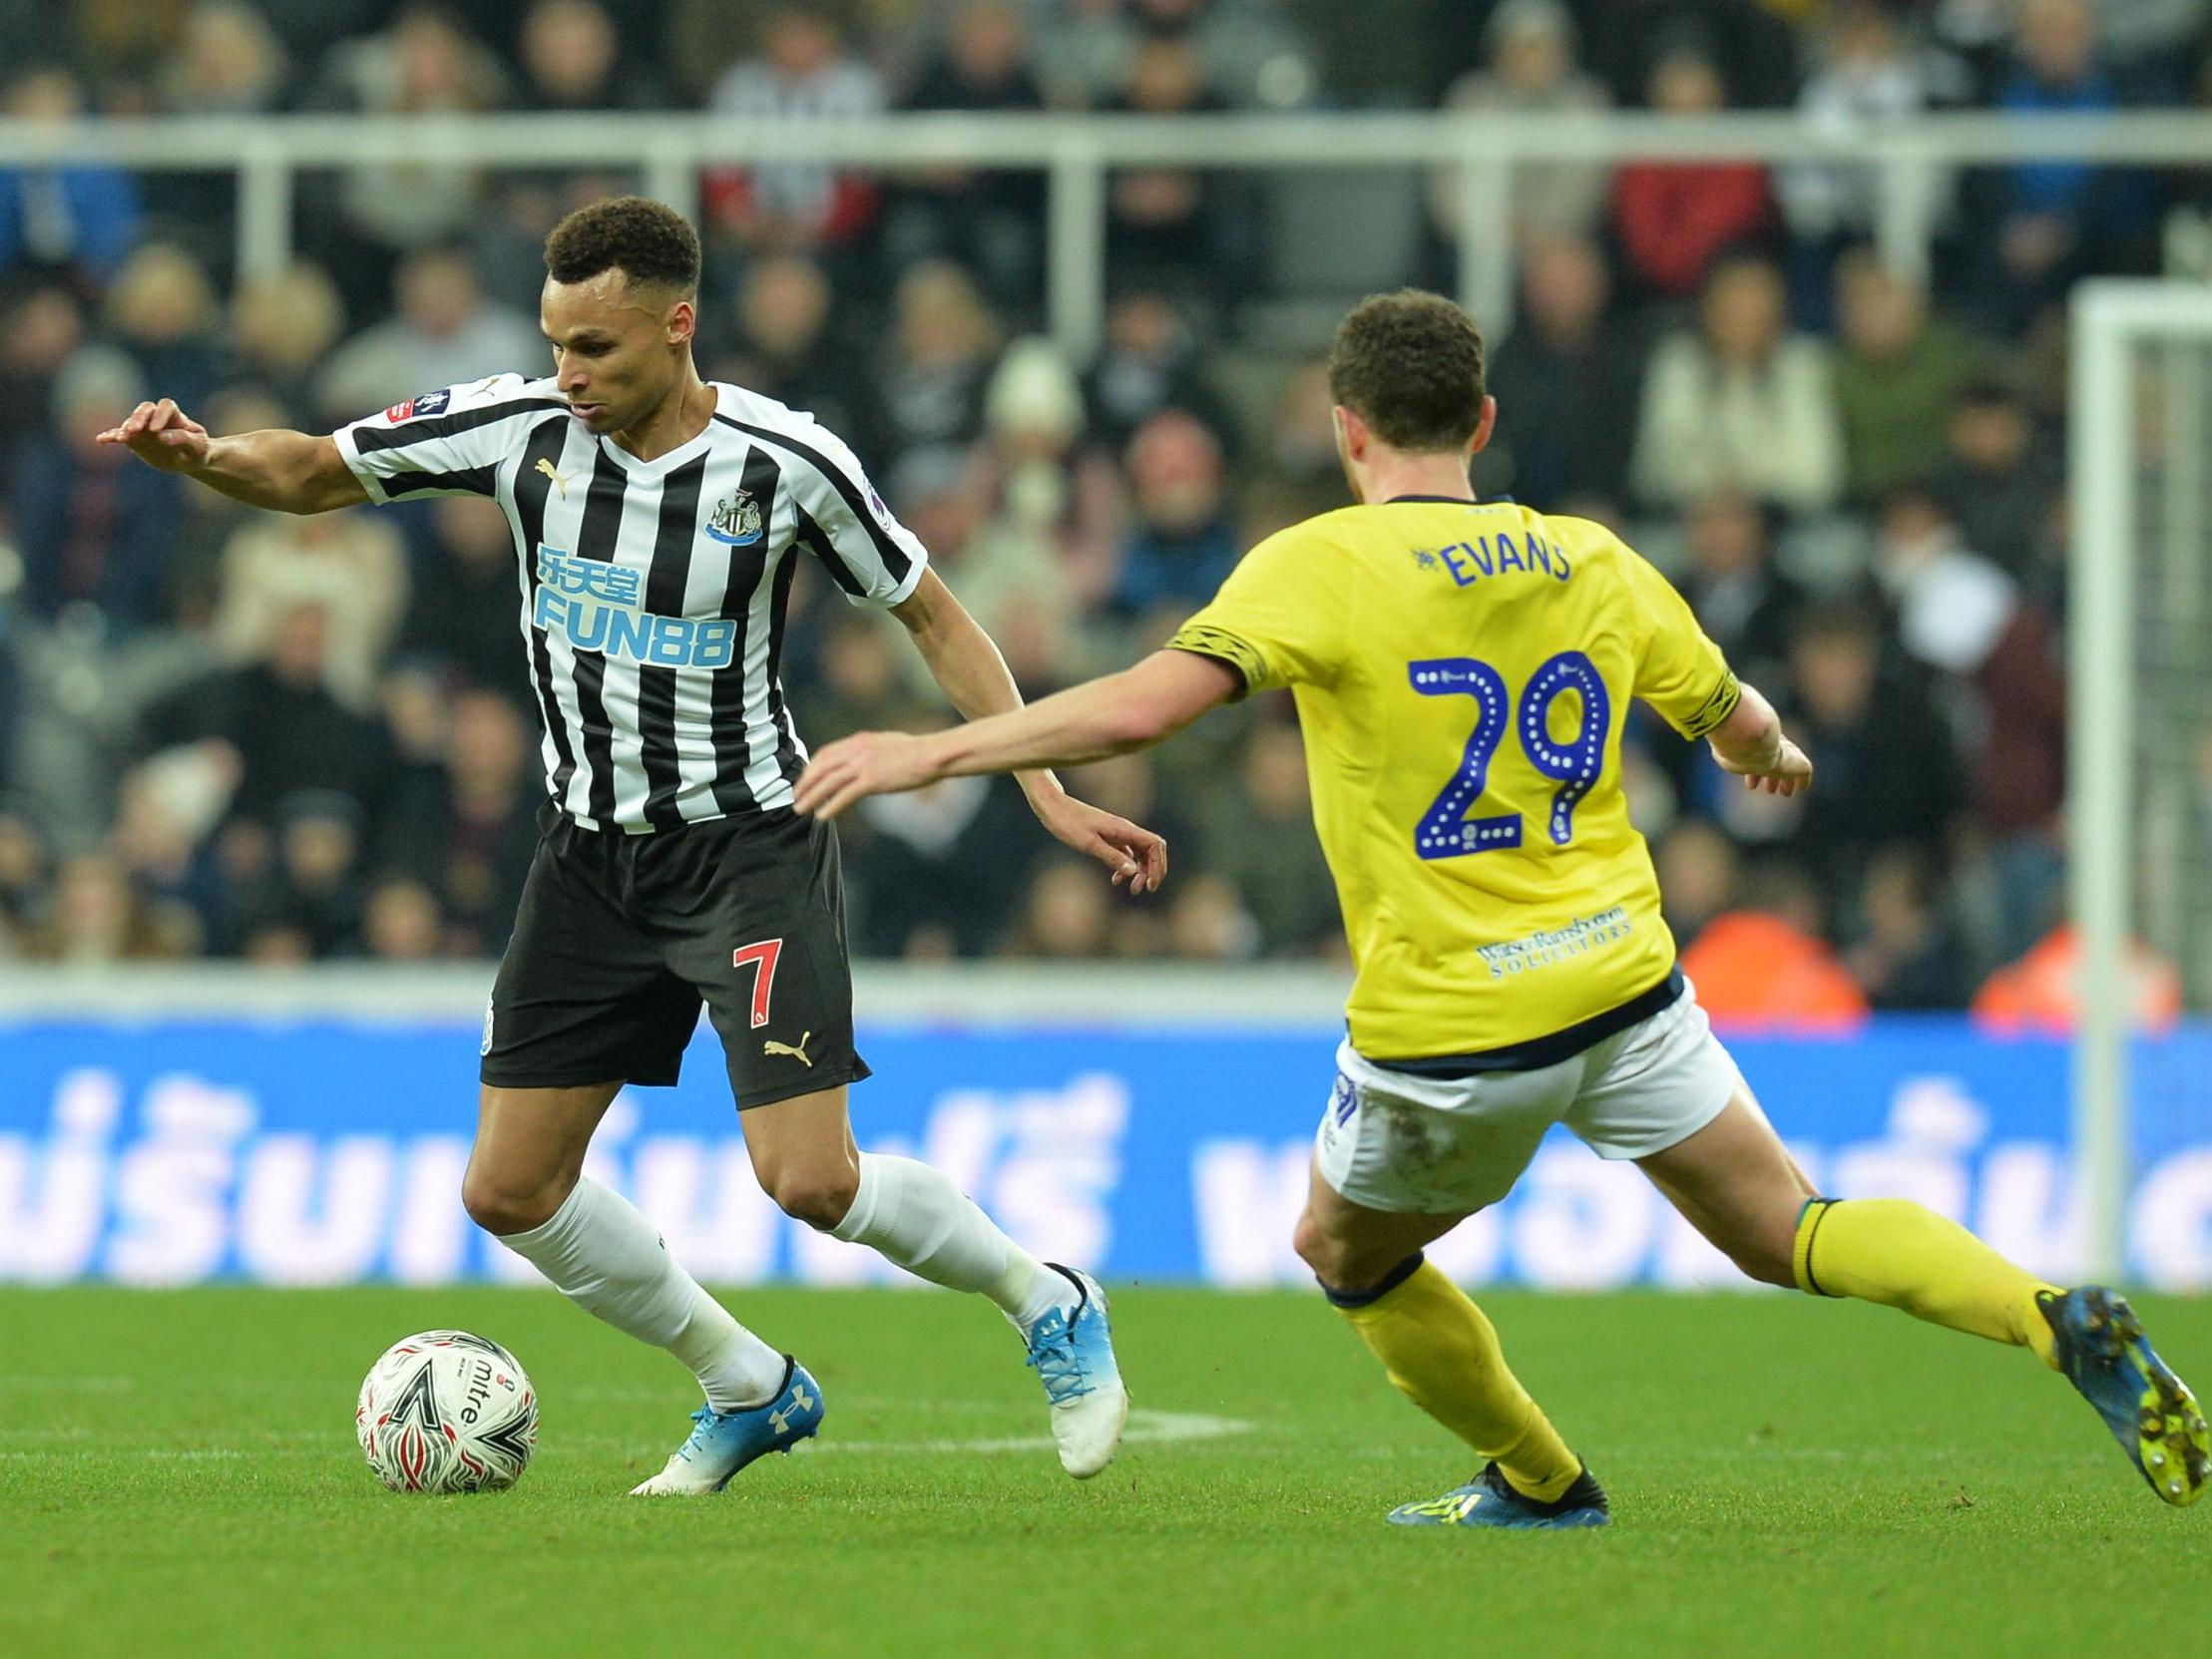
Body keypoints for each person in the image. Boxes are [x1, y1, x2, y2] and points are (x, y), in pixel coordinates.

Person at [795, 288, 2208, 1525]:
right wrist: (1767, 755)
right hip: (1626, 985)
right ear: (1479, 420)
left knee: (1341, 1251)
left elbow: (1147, 708)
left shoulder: (1319, 564)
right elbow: (1739, 717)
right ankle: (2040, 1314)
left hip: (1456, 1027)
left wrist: (940, 746)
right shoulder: (1589, 557)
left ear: (1348, 429)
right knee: (1788, 1226)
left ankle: (1538, 1479)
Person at [99, 196, 1163, 1494]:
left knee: (810, 1182)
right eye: (556, 343)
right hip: (590, 858)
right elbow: (314, 468)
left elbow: (933, 618)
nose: (570, 374)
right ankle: (749, 1385)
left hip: (748, 850)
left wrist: (1041, 785)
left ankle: (1043, 1295)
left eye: (596, 348)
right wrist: (204, 457)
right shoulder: (519, 429)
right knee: (508, 1189)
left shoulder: (785, 463)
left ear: (678, 324)